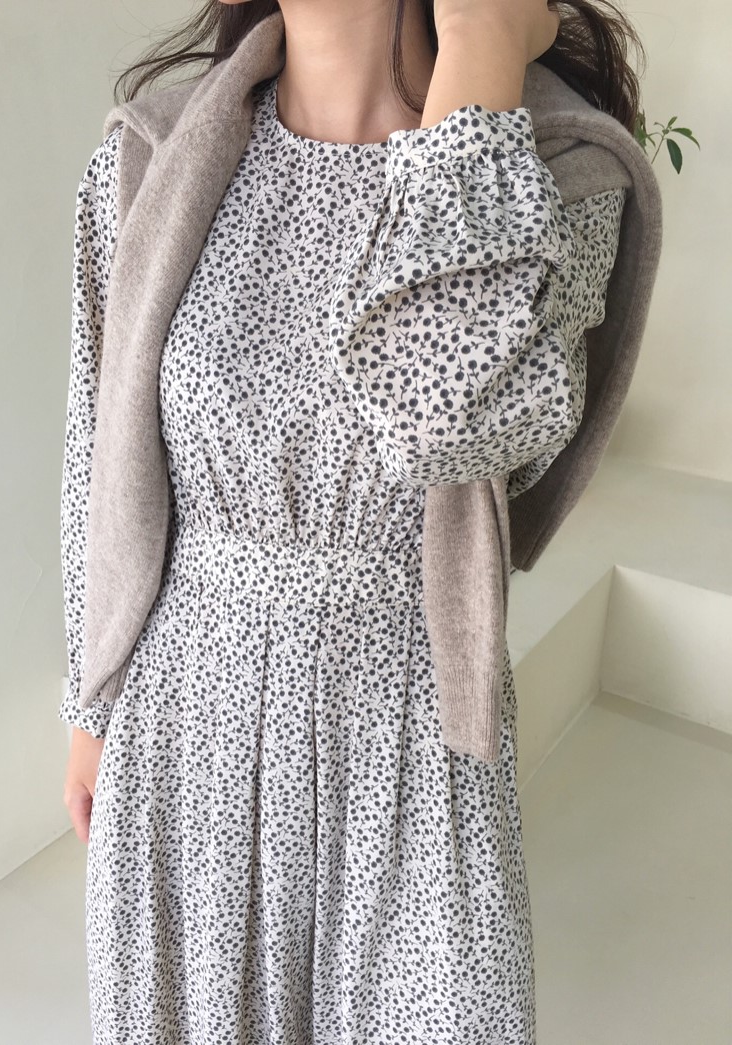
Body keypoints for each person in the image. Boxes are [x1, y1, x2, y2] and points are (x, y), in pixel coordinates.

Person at [60, 1, 636, 1041]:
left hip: (409, 737)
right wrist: (90, 702)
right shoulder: (148, 156)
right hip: (184, 722)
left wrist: (481, 48)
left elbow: (449, 419)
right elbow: (96, 456)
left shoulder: (552, 173)